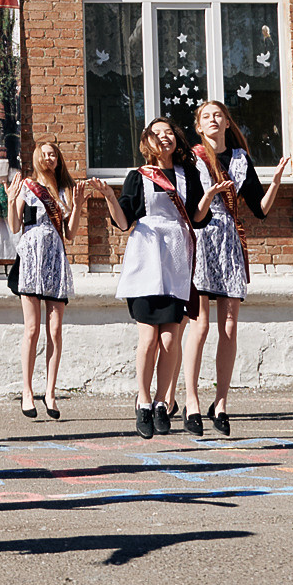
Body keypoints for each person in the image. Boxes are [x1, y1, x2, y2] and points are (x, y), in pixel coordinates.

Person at [92, 117, 208, 440]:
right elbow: (124, 221)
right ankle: (142, 400)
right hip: (145, 261)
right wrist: (110, 198)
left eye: (170, 132)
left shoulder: (188, 175)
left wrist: (209, 196)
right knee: (149, 339)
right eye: (158, 133)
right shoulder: (138, 177)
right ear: (147, 142)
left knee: (170, 340)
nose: (165, 137)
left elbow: (198, 218)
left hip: (175, 261)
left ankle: (161, 401)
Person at [186, 100, 290, 436]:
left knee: (229, 326)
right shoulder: (193, 157)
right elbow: (192, 211)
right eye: (206, 117)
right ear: (199, 127)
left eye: (219, 115)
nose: (214, 120)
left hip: (230, 242)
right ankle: (191, 401)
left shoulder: (242, 160)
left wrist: (274, 182)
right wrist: (210, 194)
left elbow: (259, 209)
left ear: (228, 123)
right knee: (200, 325)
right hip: (202, 239)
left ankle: (221, 403)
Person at [8, 141, 79, 420]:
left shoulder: (66, 190)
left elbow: (70, 234)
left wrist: (79, 206)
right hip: (31, 257)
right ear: (37, 157)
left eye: (54, 154)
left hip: (56, 257)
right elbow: (15, 227)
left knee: (55, 329)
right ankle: (27, 391)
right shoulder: (28, 186)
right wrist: (12, 201)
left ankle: (50, 392)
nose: (50, 158)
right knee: (31, 329)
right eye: (45, 153)